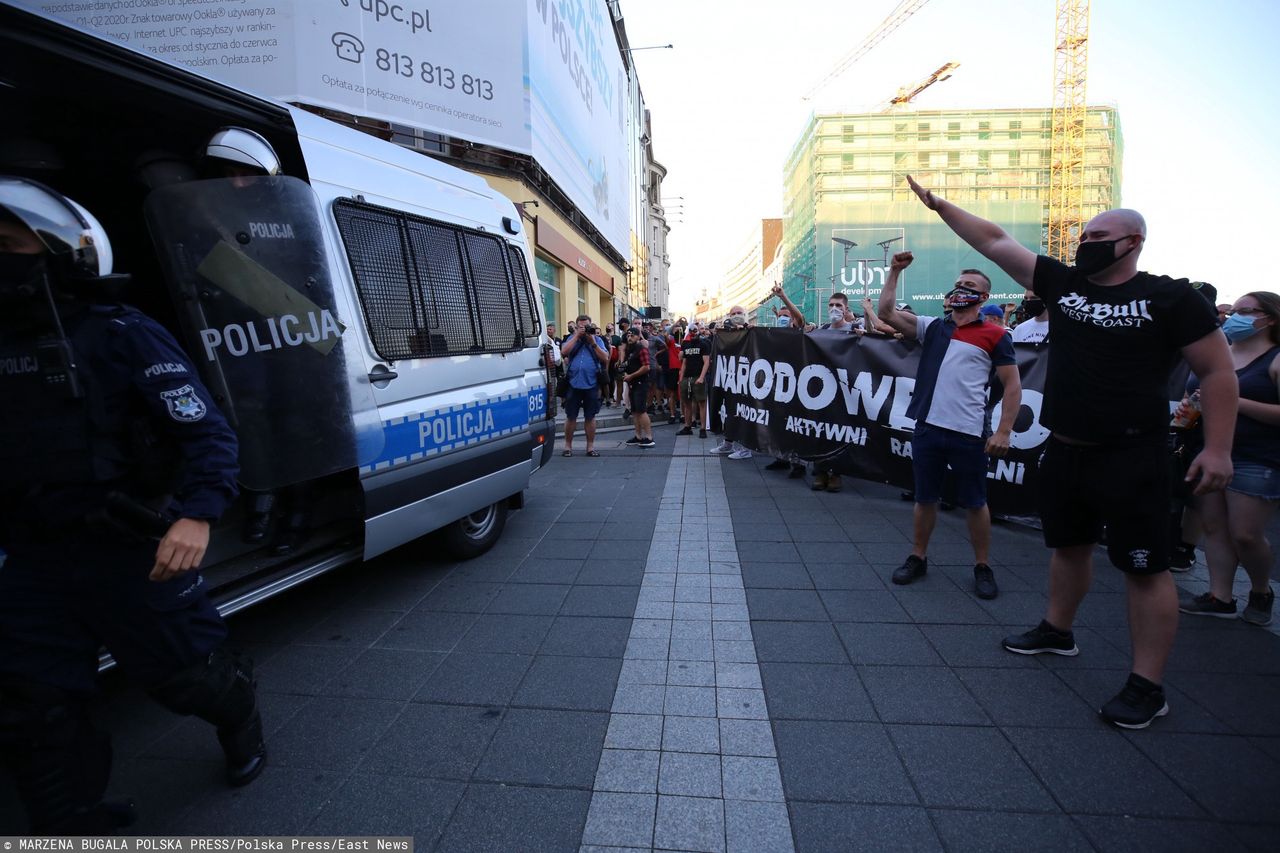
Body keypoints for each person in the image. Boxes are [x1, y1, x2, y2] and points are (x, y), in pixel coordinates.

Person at [901, 175, 1237, 729]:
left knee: (1146, 569)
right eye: (1083, 233)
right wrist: (940, 205)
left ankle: (1147, 686)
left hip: (1135, 454)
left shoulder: (1169, 297)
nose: (1086, 241)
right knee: (1068, 547)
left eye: (1099, 234)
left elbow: (1217, 371)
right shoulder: (1064, 284)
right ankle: (1058, 631)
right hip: (1066, 449)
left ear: (1132, 242)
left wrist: (1219, 448)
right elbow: (993, 241)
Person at [0, 179, 265, 832]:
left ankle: (243, 718)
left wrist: (197, 513)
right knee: (37, 707)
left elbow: (205, 431)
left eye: (8, 244)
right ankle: (70, 821)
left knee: (189, 679)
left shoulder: (121, 334)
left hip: (128, 548)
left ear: (61, 251)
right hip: (32, 556)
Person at [877, 252, 1022, 602]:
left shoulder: (995, 334)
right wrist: (894, 271)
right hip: (928, 428)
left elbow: (1013, 385)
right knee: (925, 498)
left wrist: (1003, 431)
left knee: (975, 502)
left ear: (984, 297)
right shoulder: (934, 327)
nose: (961, 289)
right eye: (959, 284)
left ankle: (982, 566)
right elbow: (885, 314)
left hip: (969, 433)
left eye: (970, 286)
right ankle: (918, 557)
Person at [1178, 292, 1279, 625]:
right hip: (1206, 449)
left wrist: (1229, 400)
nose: (1234, 317)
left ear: (1270, 318)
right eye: (1233, 311)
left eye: (1245, 311)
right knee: (1213, 527)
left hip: (1256, 457)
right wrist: (1187, 407)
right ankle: (1219, 596)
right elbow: (1195, 392)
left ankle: (1261, 589)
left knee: (1245, 534)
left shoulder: (1275, 359)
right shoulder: (1219, 351)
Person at [559, 314, 609, 457]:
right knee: (571, 416)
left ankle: (590, 447)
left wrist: (592, 341)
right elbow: (563, 352)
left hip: (592, 383)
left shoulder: (597, 339)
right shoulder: (571, 338)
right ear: (576, 326)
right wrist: (576, 336)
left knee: (590, 416)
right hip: (573, 383)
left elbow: (605, 358)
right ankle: (568, 447)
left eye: (586, 326)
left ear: (591, 325)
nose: (584, 329)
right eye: (581, 326)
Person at [676, 322, 711, 439]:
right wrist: (681, 379)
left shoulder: (704, 343)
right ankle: (687, 426)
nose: (693, 332)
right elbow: (684, 362)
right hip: (687, 377)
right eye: (691, 330)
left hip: (697, 376)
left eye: (695, 330)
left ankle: (702, 429)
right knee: (686, 403)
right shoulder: (686, 344)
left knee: (701, 402)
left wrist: (701, 377)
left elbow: (706, 361)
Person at [622, 327, 655, 448]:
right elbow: (626, 365)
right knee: (635, 411)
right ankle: (638, 436)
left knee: (641, 411)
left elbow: (646, 367)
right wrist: (625, 373)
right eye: (628, 335)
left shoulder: (641, 348)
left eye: (632, 335)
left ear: (637, 336)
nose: (629, 337)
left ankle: (649, 437)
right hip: (632, 383)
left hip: (641, 383)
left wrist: (631, 375)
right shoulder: (629, 349)